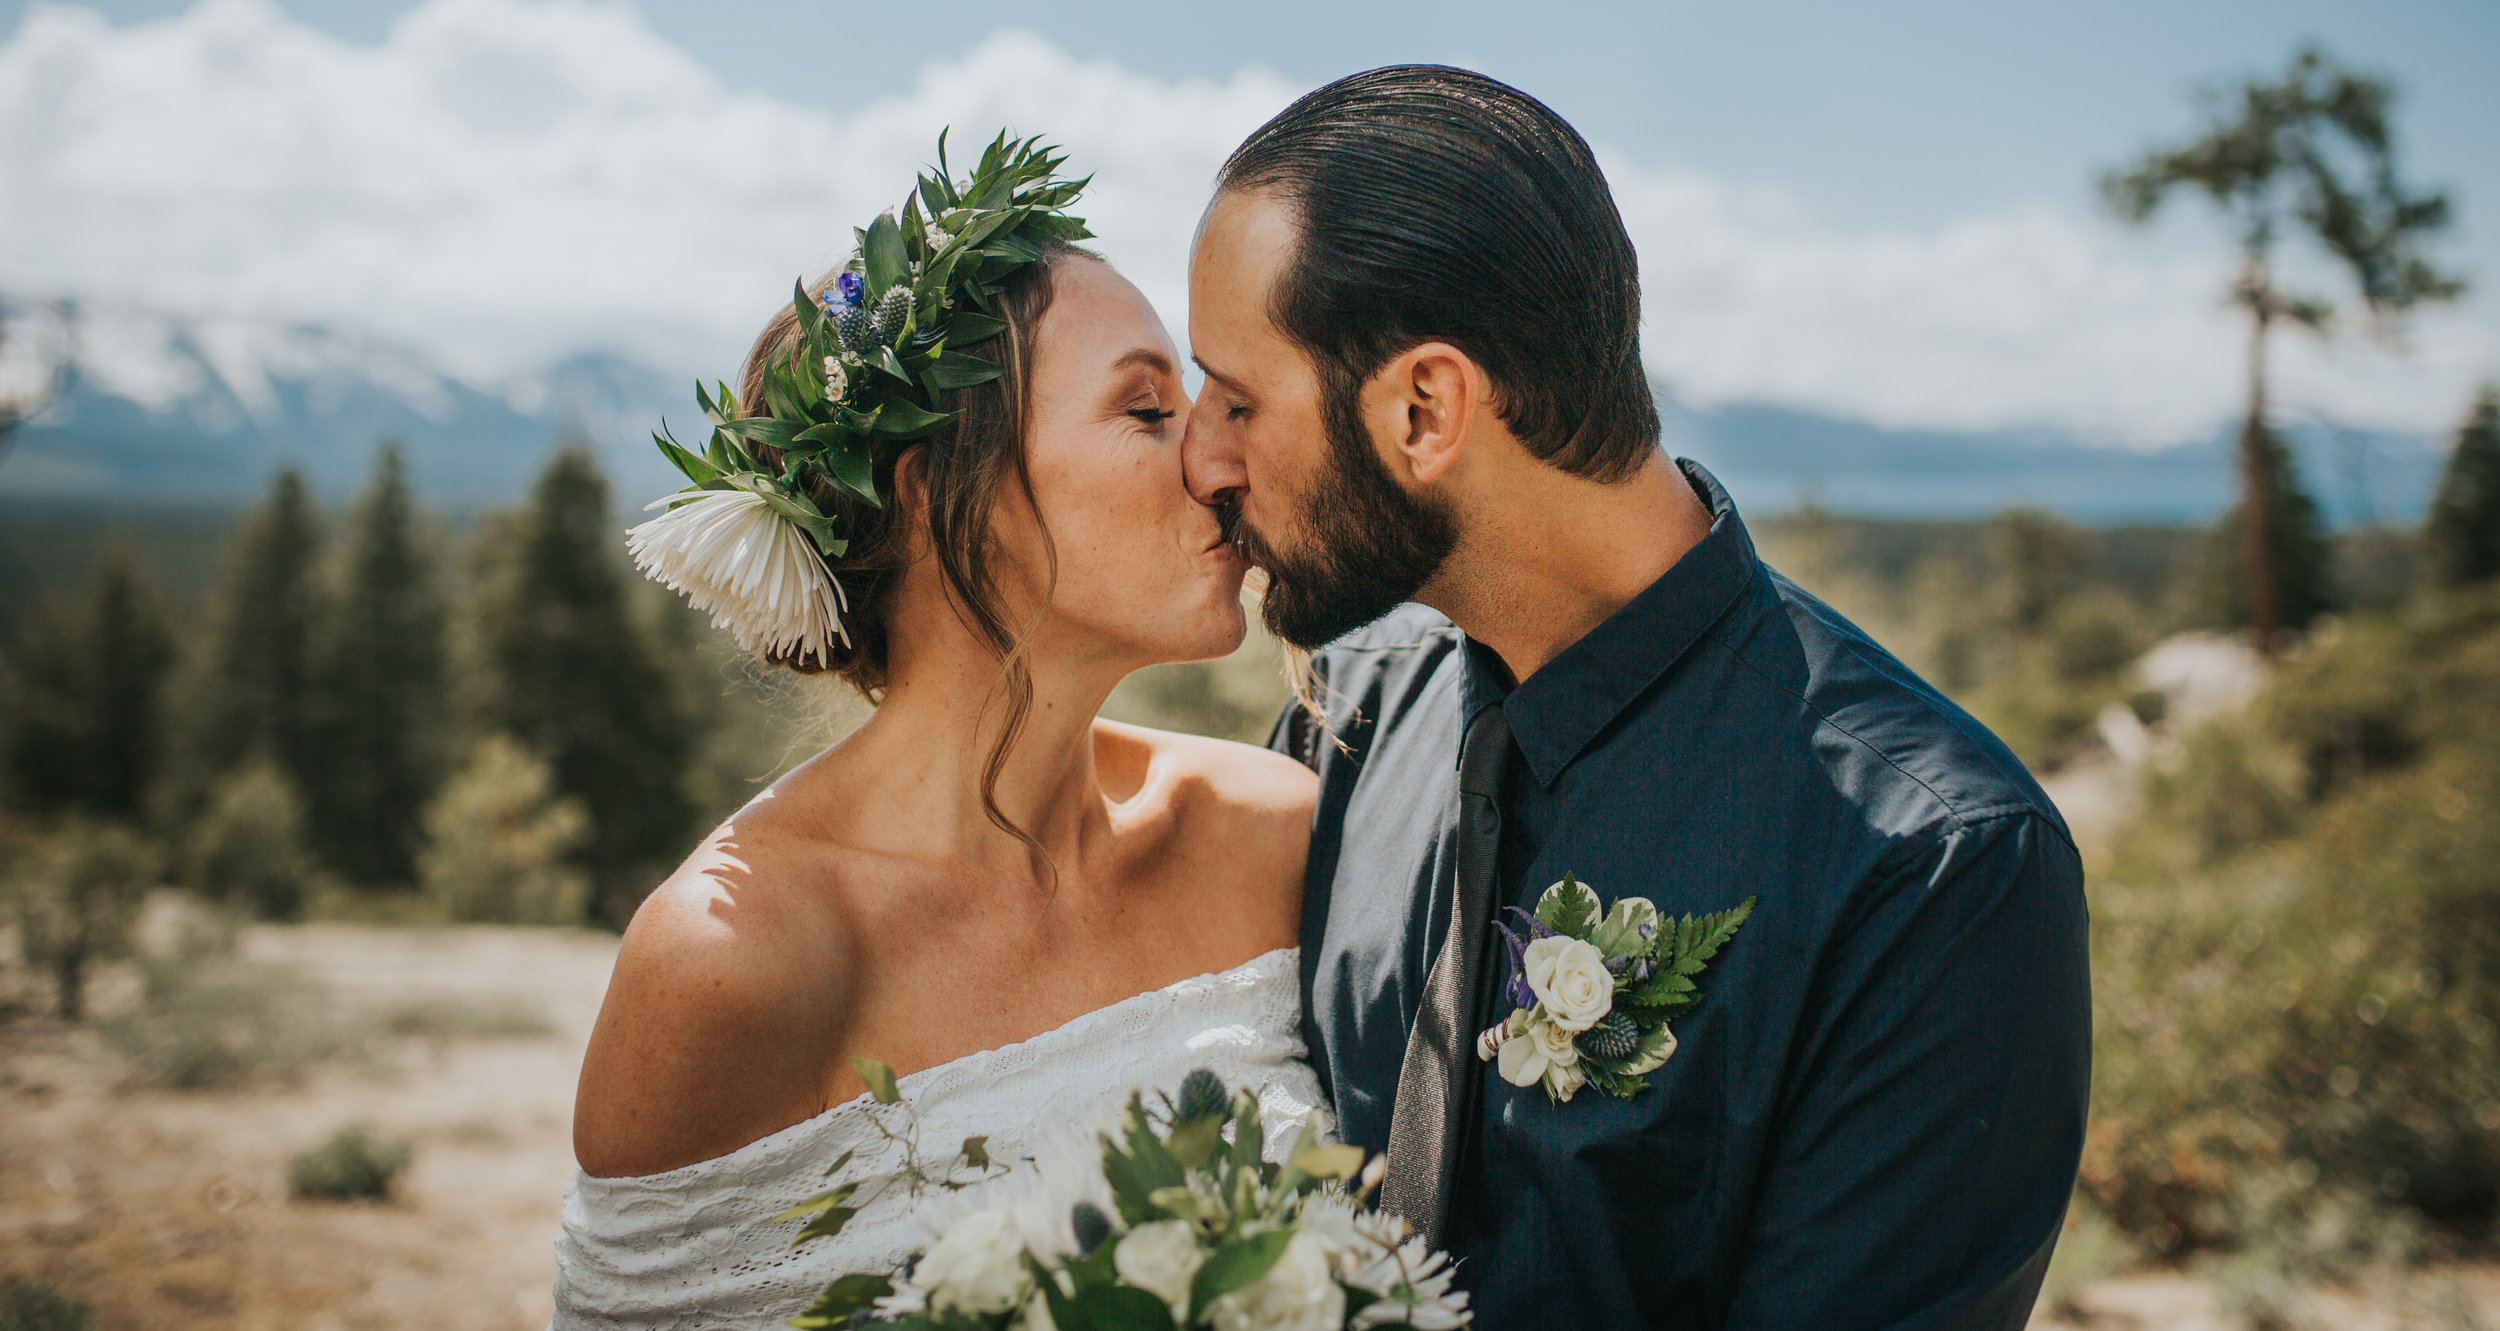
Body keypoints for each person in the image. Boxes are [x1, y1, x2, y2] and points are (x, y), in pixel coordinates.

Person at [1182, 66, 2093, 1330]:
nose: (1201, 455)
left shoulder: (1932, 868)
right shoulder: (1346, 719)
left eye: (1237, 397)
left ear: (1423, 407)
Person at [551, 143, 1326, 1328]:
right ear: (927, 489)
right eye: (1146, 408)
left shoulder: (1267, 832)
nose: (1217, 460)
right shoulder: (734, 958)